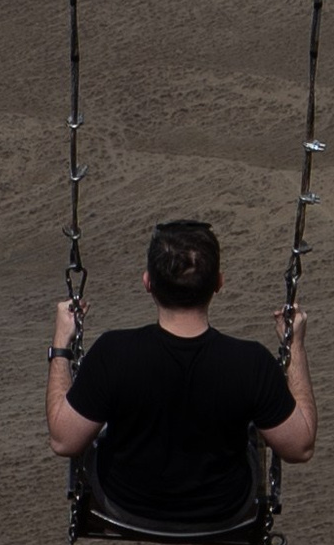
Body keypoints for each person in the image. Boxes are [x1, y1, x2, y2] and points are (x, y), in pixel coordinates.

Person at [48, 219, 314, 528]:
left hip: (125, 504)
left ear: (148, 282)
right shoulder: (251, 362)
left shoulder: (113, 352)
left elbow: (63, 442)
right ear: (219, 283)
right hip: (224, 508)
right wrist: (295, 346)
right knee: (250, 428)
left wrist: (61, 344)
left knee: (100, 427)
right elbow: (301, 447)